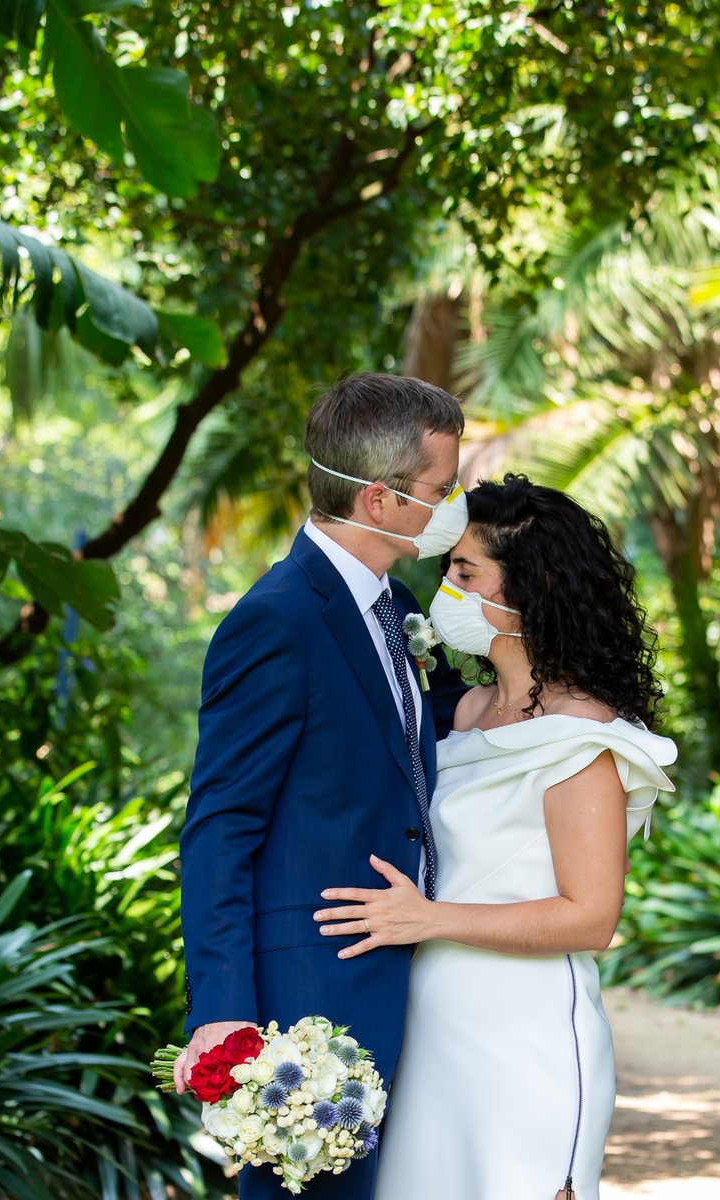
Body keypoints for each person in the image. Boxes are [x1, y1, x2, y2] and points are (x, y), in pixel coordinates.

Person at [315, 473, 677, 1200]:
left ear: (530, 587)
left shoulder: (581, 738)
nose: (444, 587)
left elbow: (592, 915)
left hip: (526, 1039)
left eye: (465, 572)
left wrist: (427, 917)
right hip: (432, 1034)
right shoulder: (462, 711)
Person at [174, 372, 469, 1199]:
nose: (452, 506)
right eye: (440, 490)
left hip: (402, 980)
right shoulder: (277, 618)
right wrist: (223, 1016)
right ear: (379, 500)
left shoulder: (396, 606)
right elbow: (220, 827)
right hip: (307, 1006)